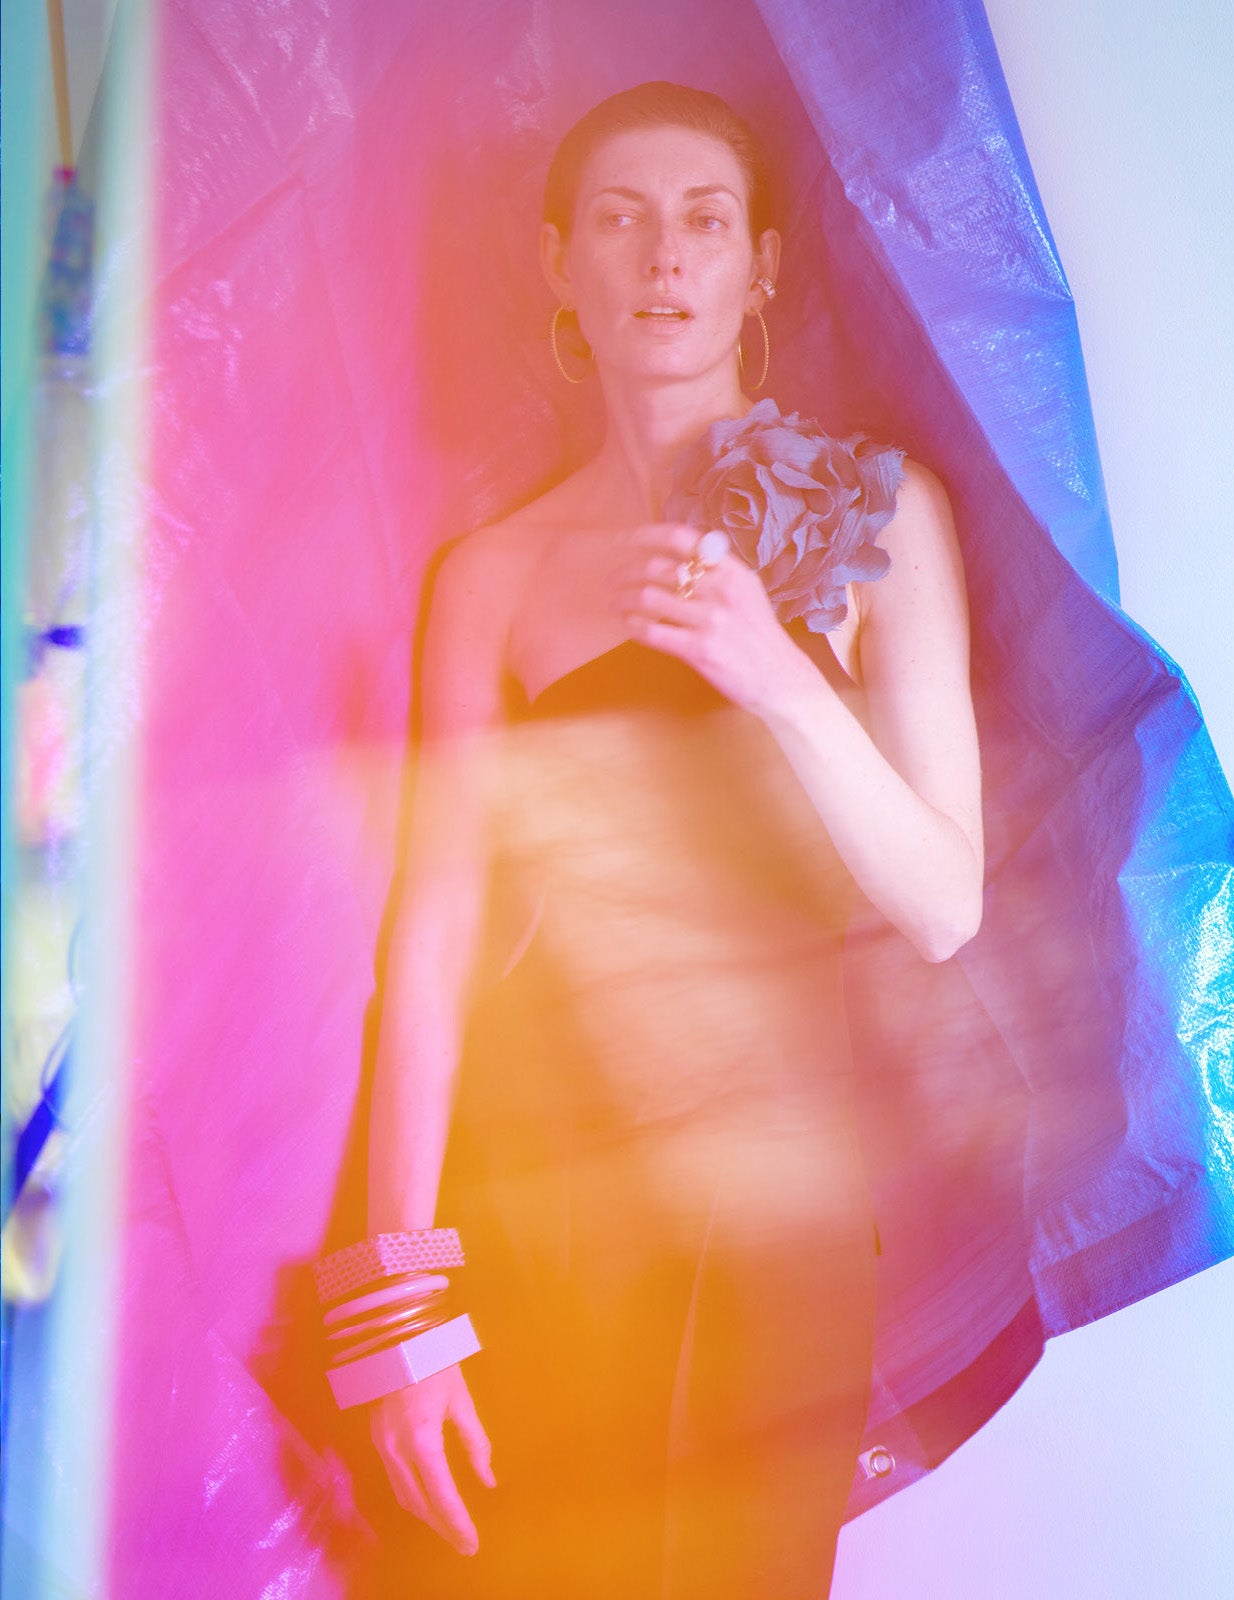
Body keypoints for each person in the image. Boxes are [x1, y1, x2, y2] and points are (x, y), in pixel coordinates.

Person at [336, 80, 981, 1598]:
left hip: (774, 1219)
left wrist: (779, 679)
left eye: (704, 221)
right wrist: (399, 1307)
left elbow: (945, 901)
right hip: (530, 1198)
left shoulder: (882, 517)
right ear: (559, 264)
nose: (664, 257)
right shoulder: (493, 575)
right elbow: (430, 942)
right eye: (619, 222)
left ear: (760, 268)